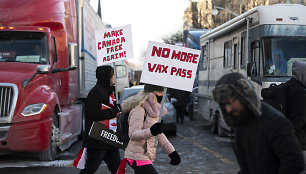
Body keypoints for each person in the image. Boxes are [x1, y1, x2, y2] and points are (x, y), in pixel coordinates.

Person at [212, 72, 304, 174]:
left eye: (230, 102)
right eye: (224, 105)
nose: (228, 109)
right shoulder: (241, 125)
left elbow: (294, 162)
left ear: (242, 95)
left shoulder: (274, 122)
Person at [117, 84, 181, 174]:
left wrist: (172, 152)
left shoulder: (153, 111)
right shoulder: (139, 109)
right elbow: (133, 134)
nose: (163, 95)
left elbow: (159, 135)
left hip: (145, 156)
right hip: (137, 156)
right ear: (156, 93)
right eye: (162, 92)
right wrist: (151, 131)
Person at [80, 65, 121, 174]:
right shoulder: (96, 92)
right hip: (97, 139)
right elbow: (94, 114)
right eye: (112, 75)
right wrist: (114, 111)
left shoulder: (109, 92)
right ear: (107, 77)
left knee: (118, 169)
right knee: (89, 170)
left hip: (109, 138)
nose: (114, 77)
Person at [285, 60, 306, 162]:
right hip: (299, 142)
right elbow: (298, 119)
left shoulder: (287, 86)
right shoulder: (300, 92)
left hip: (287, 139)